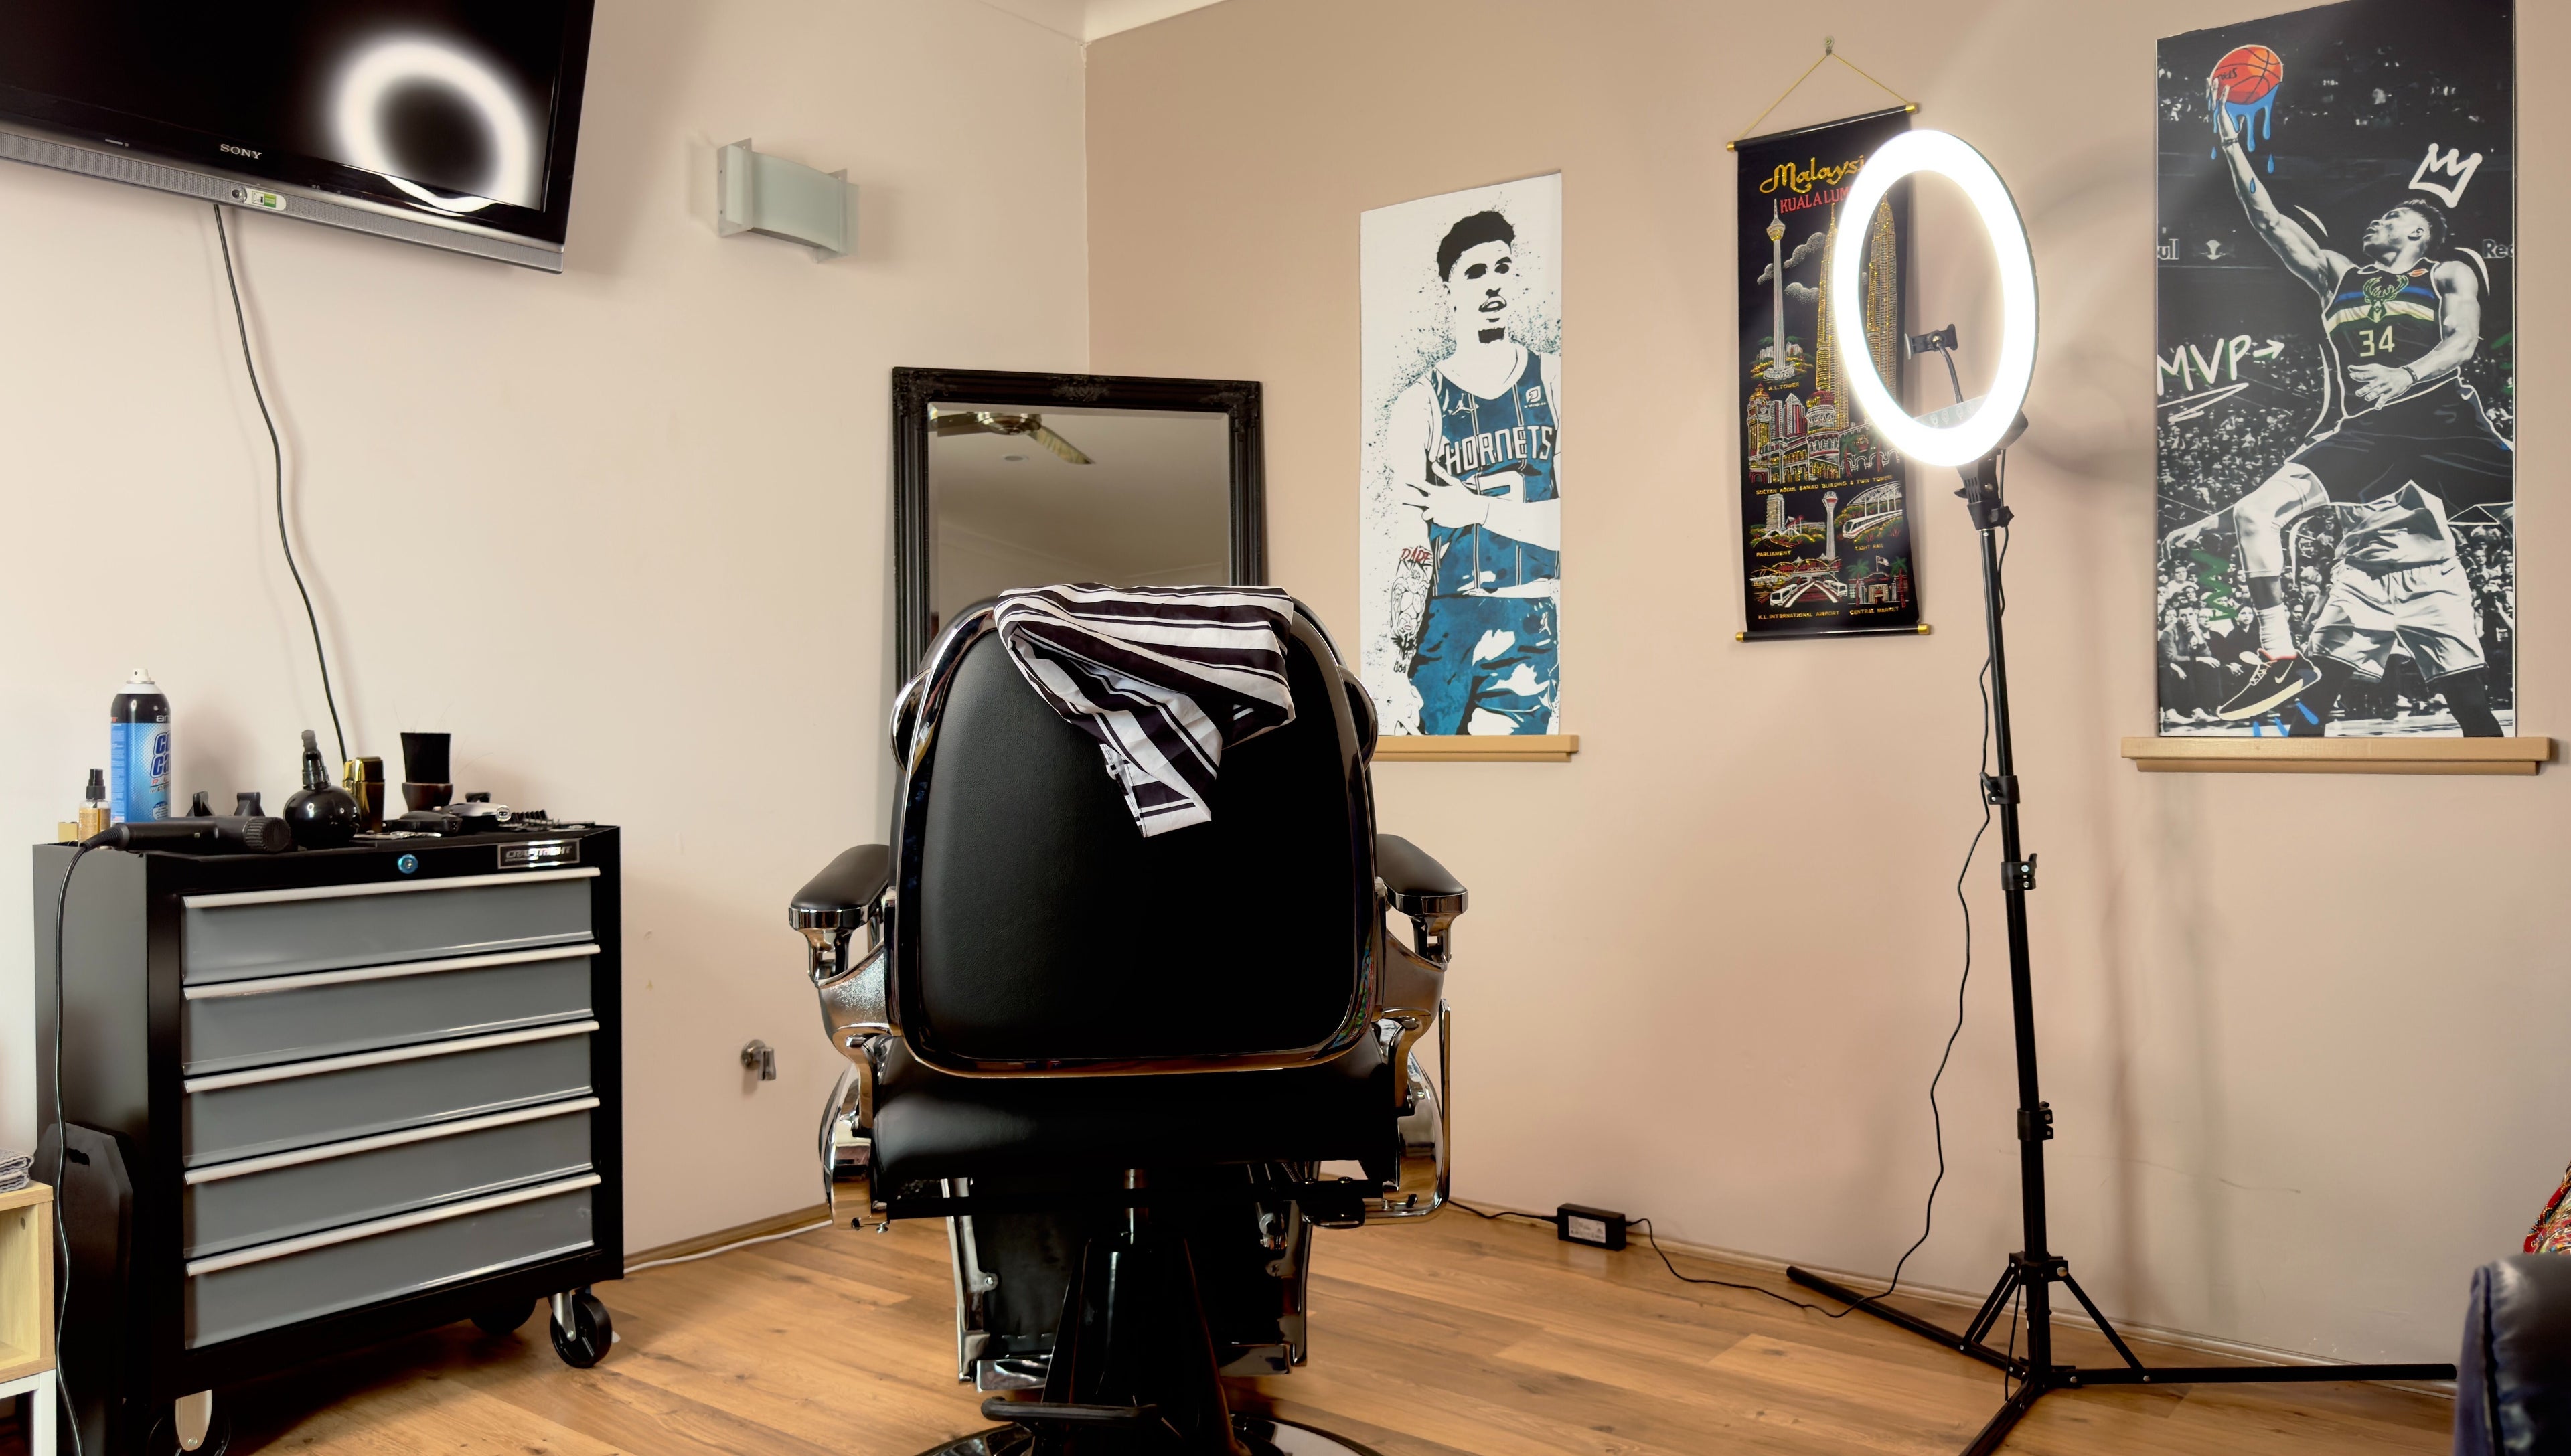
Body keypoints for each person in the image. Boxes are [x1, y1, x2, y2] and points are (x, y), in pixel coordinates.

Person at [2161, 77, 2514, 735]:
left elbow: (2463, 342)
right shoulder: (2337, 275)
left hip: (2440, 421)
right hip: (2373, 430)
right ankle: (2281, 654)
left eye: (2391, 218)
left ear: (2418, 232)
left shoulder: (2446, 271)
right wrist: (2231, 144)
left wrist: (2406, 375)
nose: (2375, 221)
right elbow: (2267, 219)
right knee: (2257, 513)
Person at [1383, 209, 1562, 735]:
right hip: (1446, 622)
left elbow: (1575, 526)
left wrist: (1477, 509)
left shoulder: (1550, 379)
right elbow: (1408, 541)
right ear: (1449, 290)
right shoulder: (1420, 403)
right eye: (1475, 272)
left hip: (1526, 619)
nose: (1493, 284)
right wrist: (1397, 664)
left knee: (1505, 779)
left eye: (1503, 267)